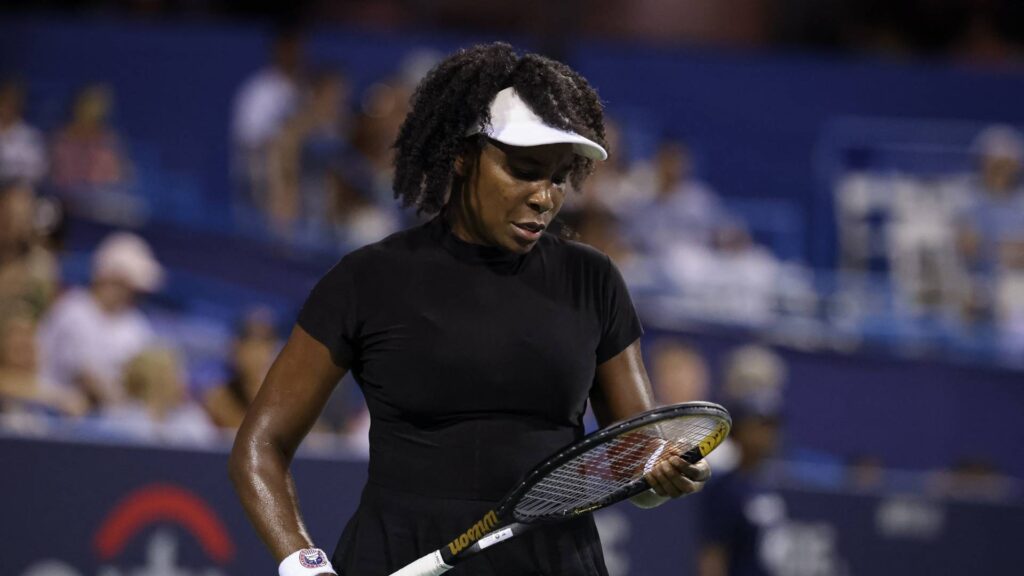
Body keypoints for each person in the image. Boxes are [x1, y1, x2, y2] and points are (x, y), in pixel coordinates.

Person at [229, 43, 711, 576]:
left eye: (557, 176)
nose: (544, 196)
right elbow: (260, 446)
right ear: (461, 154)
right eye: (523, 169)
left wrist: (661, 476)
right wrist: (304, 564)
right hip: (392, 554)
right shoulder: (366, 280)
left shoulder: (593, 280)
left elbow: (638, 465)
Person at [37, 231, 163, 411]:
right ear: (106, 277)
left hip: (108, 419)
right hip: (54, 415)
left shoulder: (136, 323)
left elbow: (146, 377)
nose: (127, 293)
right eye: (121, 284)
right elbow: (86, 378)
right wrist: (128, 412)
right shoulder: (73, 310)